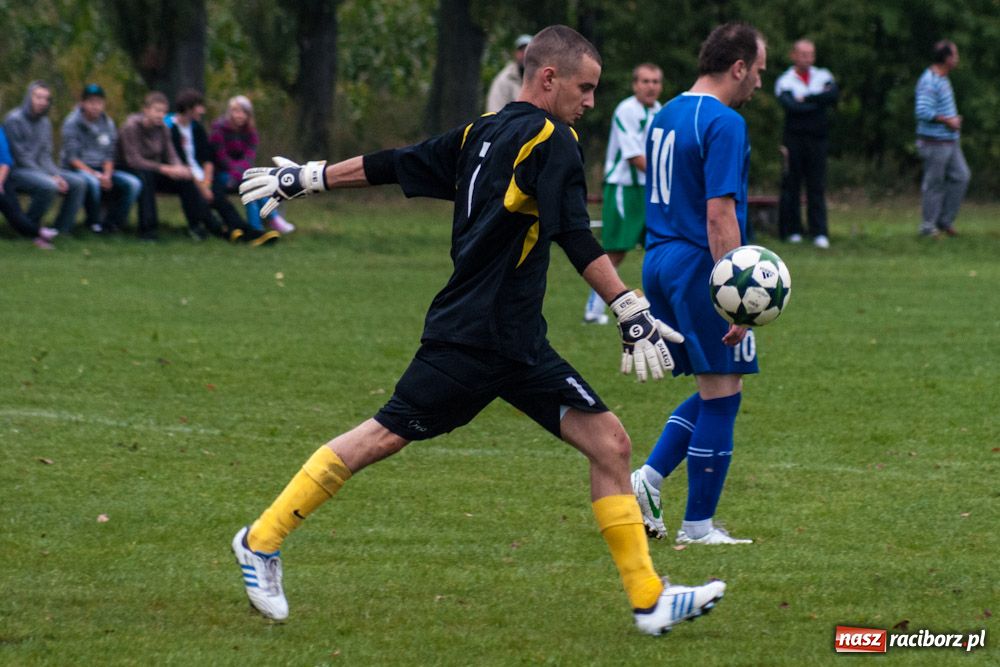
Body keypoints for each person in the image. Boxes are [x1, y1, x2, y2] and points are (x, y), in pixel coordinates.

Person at [231, 25, 725, 636]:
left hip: (516, 342)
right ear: (548, 78)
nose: (591, 102)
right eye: (585, 87)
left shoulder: (480, 131)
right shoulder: (554, 139)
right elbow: (573, 232)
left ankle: (649, 601)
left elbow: (396, 163)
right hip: (472, 337)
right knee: (382, 436)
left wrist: (309, 177)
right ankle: (260, 540)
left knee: (612, 445)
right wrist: (628, 307)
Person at [630, 23, 766, 546]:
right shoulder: (725, 122)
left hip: (660, 261)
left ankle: (648, 480)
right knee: (724, 392)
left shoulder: (665, 114)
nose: (759, 80)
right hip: (698, 265)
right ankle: (698, 526)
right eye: (757, 70)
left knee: (714, 388)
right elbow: (719, 215)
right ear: (737, 67)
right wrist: (735, 294)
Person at [584, 63, 663, 324]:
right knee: (617, 248)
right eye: (645, 81)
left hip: (648, 188)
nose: (650, 87)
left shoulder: (660, 111)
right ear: (635, 85)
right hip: (623, 188)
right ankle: (593, 309)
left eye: (655, 81)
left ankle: (656, 304)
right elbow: (634, 157)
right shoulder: (626, 110)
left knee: (657, 246)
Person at [166, 89, 278, 245]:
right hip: (183, 177)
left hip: (201, 176)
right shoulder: (171, 128)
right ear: (189, 108)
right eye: (199, 107)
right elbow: (179, 162)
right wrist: (202, 186)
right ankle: (227, 231)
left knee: (218, 194)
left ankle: (244, 231)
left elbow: (207, 158)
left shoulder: (196, 128)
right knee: (201, 196)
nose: (202, 111)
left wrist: (206, 181)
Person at [117, 91, 216, 241]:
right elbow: (133, 160)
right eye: (157, 110)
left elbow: (171, 155)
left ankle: (196, 226)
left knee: (185, 178)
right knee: (146, 177)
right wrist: (164, 168)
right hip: (130, 170)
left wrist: (179, 168)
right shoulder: (131, 127)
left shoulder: (163, 128)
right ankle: (148, 229)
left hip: (154, 169)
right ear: (146, 110)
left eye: (163, 111)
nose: (160, 115)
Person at [775, 39, 837, 249]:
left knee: (816, 186)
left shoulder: (823, 75)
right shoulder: (785, 80)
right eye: (803, 54)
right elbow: (791, 106)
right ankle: (792, 230)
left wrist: (807, 98)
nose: (807, 58)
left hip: (818, 138)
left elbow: (832, 97)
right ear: (794, 55)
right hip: (794, 139)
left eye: (811, 54)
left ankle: (819, 231)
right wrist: (817, 102)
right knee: (792, 184)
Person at [3, 81, 86, 234]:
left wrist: (56, 174)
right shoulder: (13, 120)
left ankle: (61, 230)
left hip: (40, 171)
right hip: (17, 171)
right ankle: (26, 228)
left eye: (46, 98)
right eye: (38, 97)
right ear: (29, 97)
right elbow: (21, 158)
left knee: (78, 183)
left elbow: (46, 156)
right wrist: (50, 177)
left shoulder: (45, 122)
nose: (42, 102)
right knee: (48, 185)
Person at [60, 83, 142, 235]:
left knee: (133, 184)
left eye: (99, 102)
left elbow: (109, 155)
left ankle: (112, 224)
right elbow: (72, 159)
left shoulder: (108, 123)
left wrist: (107, 174)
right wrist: (95, 175)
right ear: (82, 103)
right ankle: (94, 223)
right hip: (77, 169)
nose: (95, 106)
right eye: (91, 102)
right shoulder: (72, 123)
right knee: (92, 183)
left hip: (102, 169)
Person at [209, 95, 293, 235]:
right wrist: (238, 175)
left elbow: (248, 159)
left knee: (251, 187)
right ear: (229, 112)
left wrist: (240, 175)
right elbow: (222, 158)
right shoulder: (218, 131)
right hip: (222, 175)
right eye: (236, 111)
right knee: (251, 185)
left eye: (244, 112)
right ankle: (268, 221)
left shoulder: (251, 133)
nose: (239, 115)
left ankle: (257, 227)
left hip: (243, 175)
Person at [915, 40, 969, 238]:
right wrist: (948, 121)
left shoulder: (943, 79)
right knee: (934, 183)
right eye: (955, 54)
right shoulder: (930, 81)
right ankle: (928, 227)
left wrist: (952, 122)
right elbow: (922, 111)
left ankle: (944, 220)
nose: (957, 58)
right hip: (934, 143)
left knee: (961, 176)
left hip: (950, 141)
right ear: (946, 59)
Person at [1, 125, 58, 249]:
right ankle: (39, 233)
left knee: (12, 209)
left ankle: (37, 234)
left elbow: (5, 161)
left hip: (2, 178)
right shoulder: (15, 120)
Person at [485, 34, 532, 112]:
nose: (525, 54)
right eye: (522, 50)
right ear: (515, 53)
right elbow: (494, 112)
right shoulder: (504, 80)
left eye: (528, 50)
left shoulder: (539, 79)